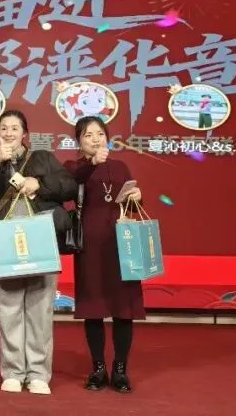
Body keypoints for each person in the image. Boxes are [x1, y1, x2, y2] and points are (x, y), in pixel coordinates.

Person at [0, 110, 77, 395]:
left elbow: (69, 186)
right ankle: (12, 371)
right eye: (3, 128)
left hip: (41, 241)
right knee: (8, 308)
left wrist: (39, 185)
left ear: (25, 133)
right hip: (6, 243)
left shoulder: (42, 158)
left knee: (40, 309)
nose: (9, 133)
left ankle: (38, 373)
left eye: (14, 128)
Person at [63, 116, 143, 394]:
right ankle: (98, 368)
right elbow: (70, 185)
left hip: (121, 244)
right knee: (93, 308)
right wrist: (92, 163)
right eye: (88, 135)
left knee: (124, 308)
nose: (96, 139)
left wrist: (137, 196)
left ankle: (120, 369)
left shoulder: (120, 167)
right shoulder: (73, 167)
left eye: (100, 134)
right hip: (91, 246)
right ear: (79, 141)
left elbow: (130, 206)